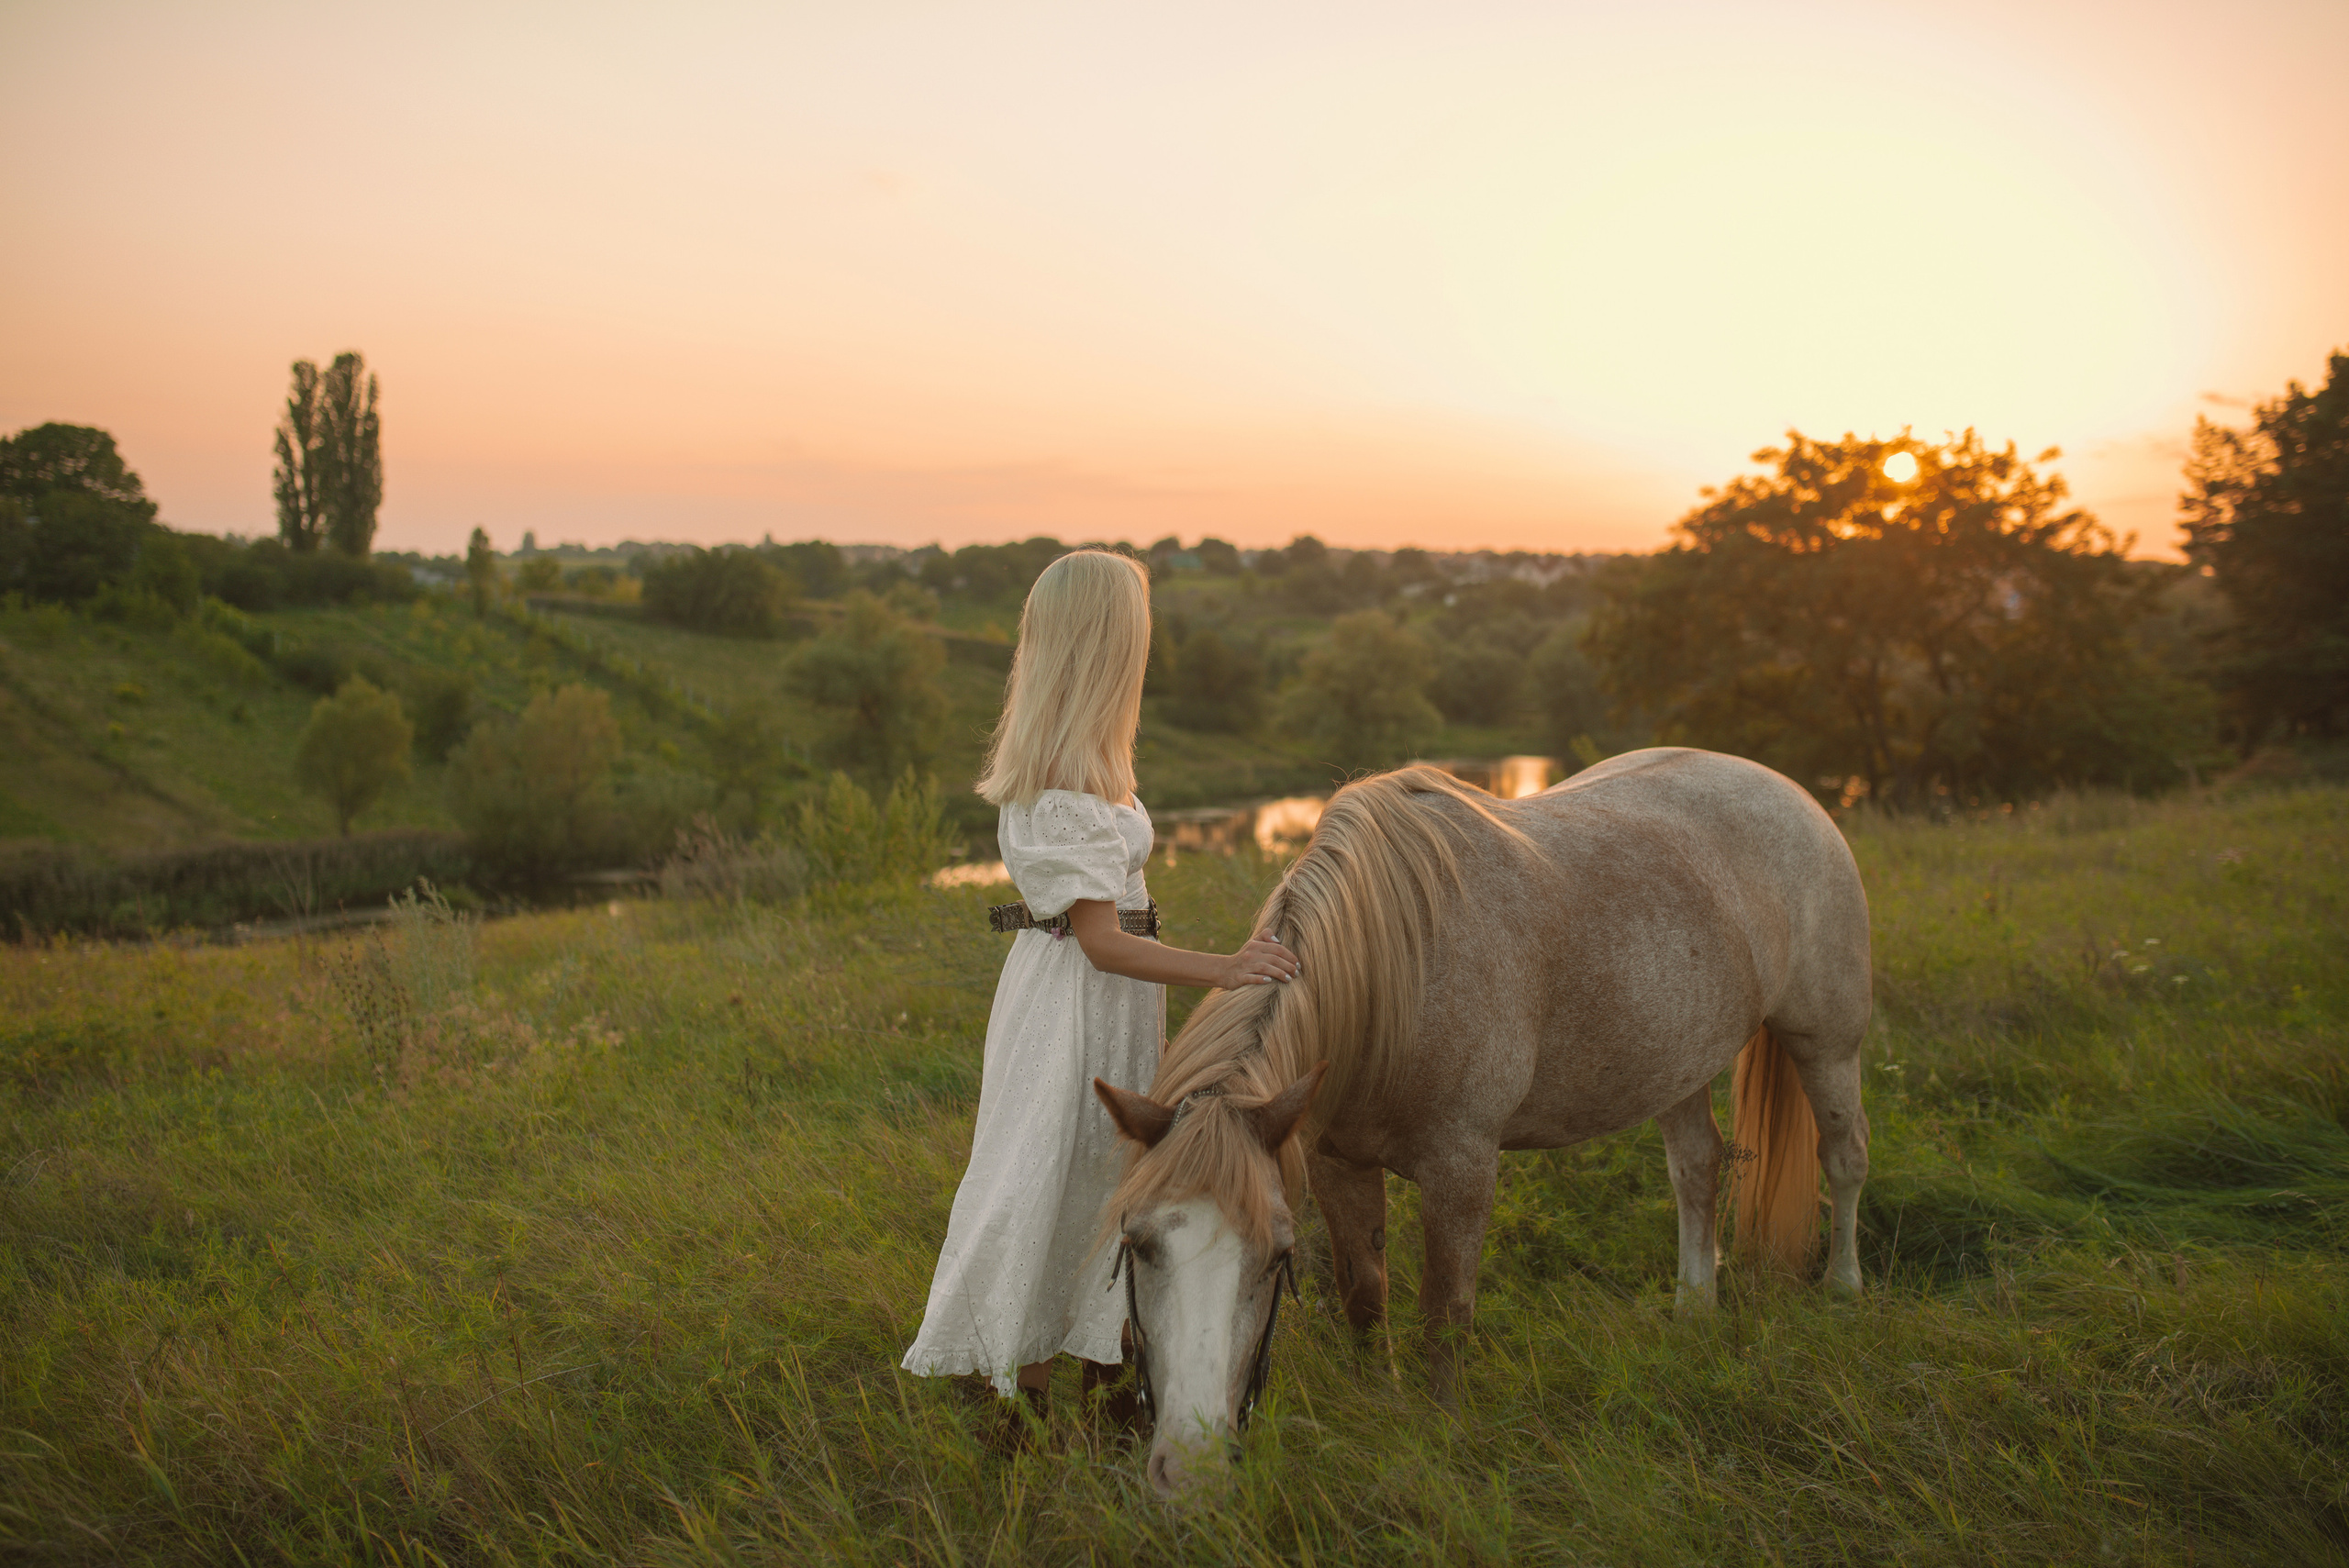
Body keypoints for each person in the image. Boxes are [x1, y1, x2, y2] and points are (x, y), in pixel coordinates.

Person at [900, 550, 1299, 1442]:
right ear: (1107, 646)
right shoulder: (1062, 788)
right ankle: (1017, 1400)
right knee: (1047, 1178)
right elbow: (1102, 939)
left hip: (1101, 1000)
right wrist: (1227, 968)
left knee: (1100, 1179)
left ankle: (1101, 1379)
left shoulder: (1088, 768)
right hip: (1076, 1001)